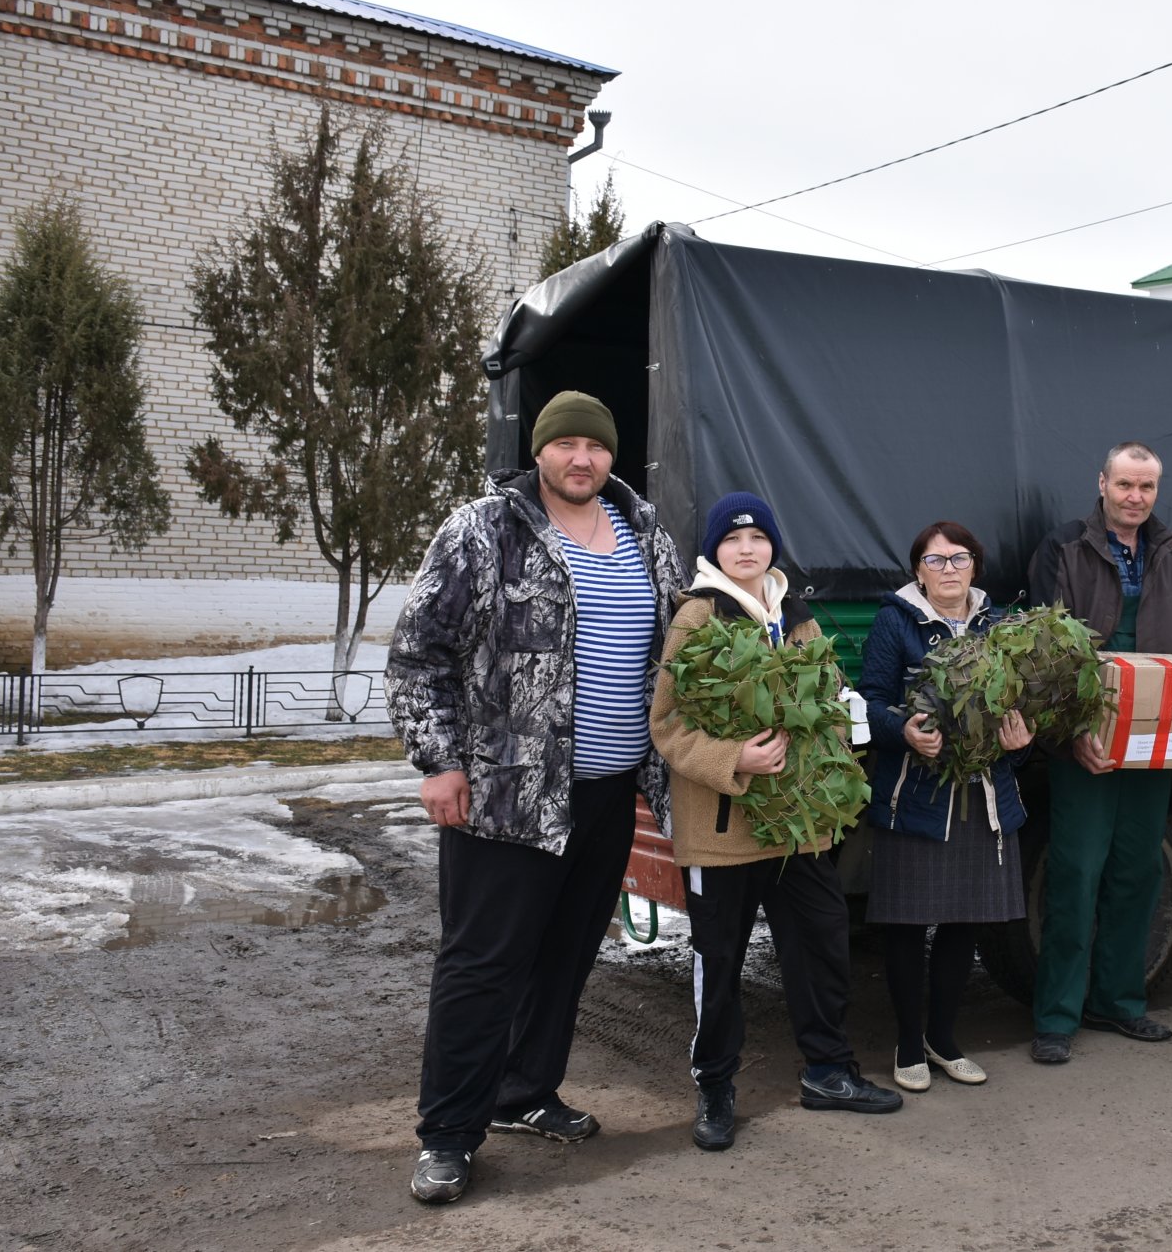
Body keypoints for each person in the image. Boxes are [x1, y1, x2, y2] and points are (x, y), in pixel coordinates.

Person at [386, 390, 687, 1205]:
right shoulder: (485, 528)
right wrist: (439, 761)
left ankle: (525, 1092)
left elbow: (679, 647)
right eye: (566, 445)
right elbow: (419, 653)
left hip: (606, 791)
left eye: (595, 445)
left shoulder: (647, 534)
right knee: (482, 965)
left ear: (611, 456)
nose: (581, 458)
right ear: (541, 452)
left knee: (565, 955)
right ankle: (448, 1134)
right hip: (505, 795)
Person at [650, 491, 903, 1152]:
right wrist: (736, 756)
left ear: (772, 546)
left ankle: (828, 1070)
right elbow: (668, 723)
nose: (746, 548)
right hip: (724, 827)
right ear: (715, 550)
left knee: (822, 942)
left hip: (797, 828)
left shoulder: (797, 618)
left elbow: (826, 701)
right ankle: (714, 1086)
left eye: (758, 537)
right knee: (721, 960)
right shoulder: (697, 618)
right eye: (733, 540)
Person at [1025, 441, 1172, 1065]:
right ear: (1102, 484)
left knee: (1137, 872)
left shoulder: (1170, 551)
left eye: (1147, 488)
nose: (1135, 498)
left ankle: (1120, 1002)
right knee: (1076, 874)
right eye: (1125, 486)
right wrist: (1070, 734)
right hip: (1087, 738)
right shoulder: (1063, 547)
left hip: (1156, 737)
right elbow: (1041, 652)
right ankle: (1057, 1016)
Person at [858, 522, 1033, 1092]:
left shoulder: (1001, 626)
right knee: (908, 924)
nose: (949, 570)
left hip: (981, 798)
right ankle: (909, 1043)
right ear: (919, 571)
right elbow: (870, 703)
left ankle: (943, 1037)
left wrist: (1020, 740)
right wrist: (904, 731)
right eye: (935, 561)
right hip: (915, 796)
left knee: (965, 921)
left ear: (975, 566)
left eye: (959, 559)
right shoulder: (896, 622)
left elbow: (1023, 707)